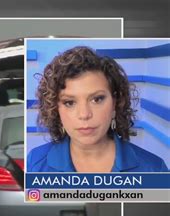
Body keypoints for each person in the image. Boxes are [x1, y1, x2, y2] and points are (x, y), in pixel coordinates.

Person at [27, 46, 168, 172]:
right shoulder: (35, 163)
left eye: (97, 99)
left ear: (115, 103)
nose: (84, 114)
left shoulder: (154, 169)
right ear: (55, 108)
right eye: (69, 102)